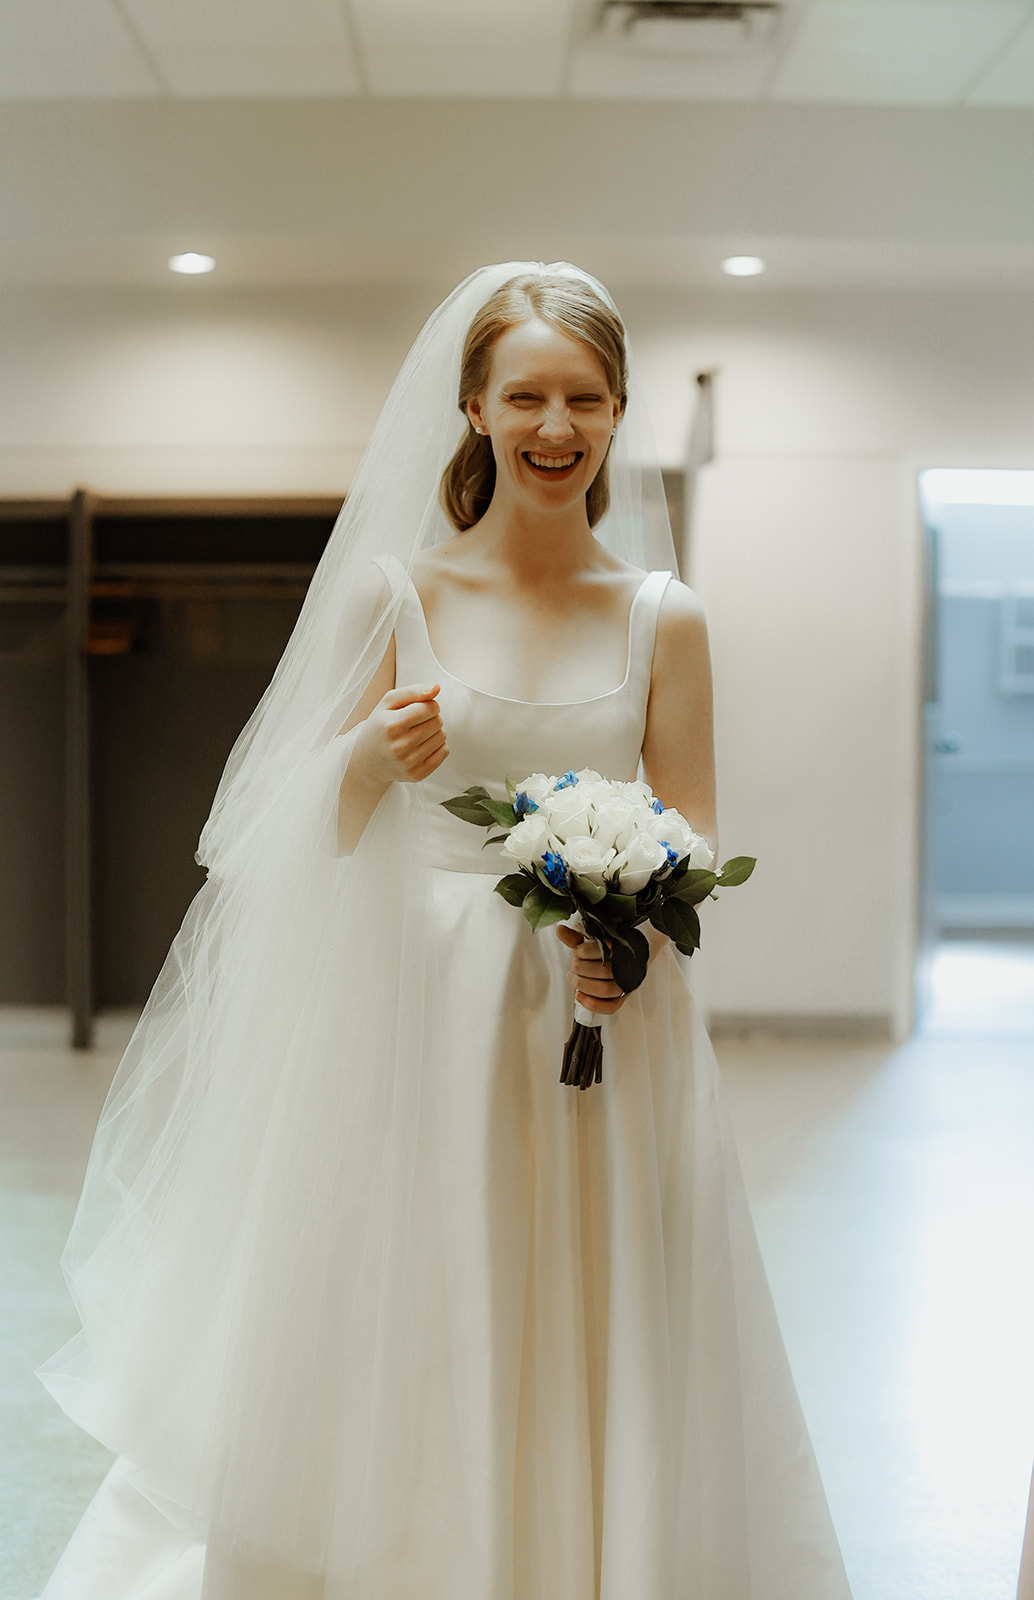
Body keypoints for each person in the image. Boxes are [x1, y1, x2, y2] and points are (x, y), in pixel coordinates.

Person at [36, 264, 852, 1600]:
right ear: (471, 408)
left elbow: (694, 834)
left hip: (600, 1016)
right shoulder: (392, 596)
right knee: (426, 1300)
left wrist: (632, 935)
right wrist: (365, 755)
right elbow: (279, 835)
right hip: (419, 1022)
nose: (554, 425)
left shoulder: (665, 616)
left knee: (597, 1319)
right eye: (524, 395)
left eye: (582, 398)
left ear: (616, 412)